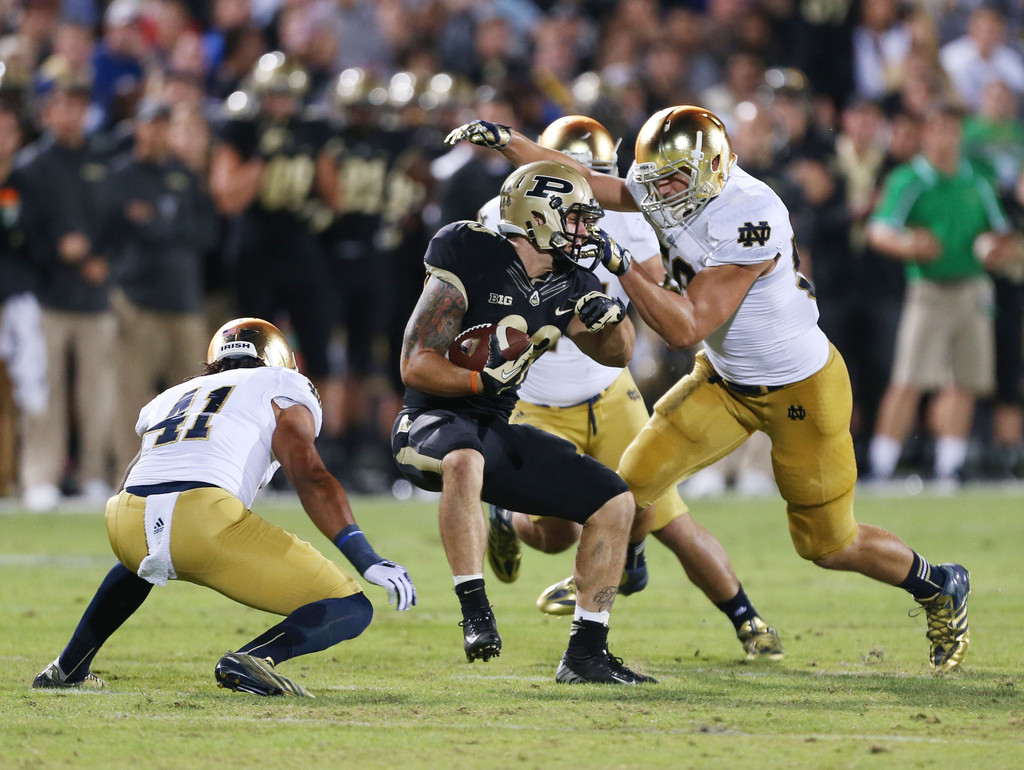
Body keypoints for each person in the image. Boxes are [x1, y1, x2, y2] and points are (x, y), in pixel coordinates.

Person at [446, 104, 972, 673]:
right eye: (654, 180)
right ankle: (609, 596)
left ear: (712, 168)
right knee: (623, 493)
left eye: (674, 179)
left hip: (801, 391)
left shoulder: (752, 212)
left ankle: (938, 584)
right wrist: (510, 142)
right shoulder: (672, 185)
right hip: (723, 381)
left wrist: (619, 263)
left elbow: (684, 327)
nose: (661, 193)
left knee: (827, 544)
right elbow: (586, 182)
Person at [476, 115, 783, 660]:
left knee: (669, 517)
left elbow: (653, 300)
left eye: (597, 175)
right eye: (574, 175)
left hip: (611, 395)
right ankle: (507, 515)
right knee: (554, 534)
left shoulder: (632, 221)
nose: (586, 190)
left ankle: (745, 616)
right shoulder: (504, 217)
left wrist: (617, 275)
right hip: (538, 403)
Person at [32, 318, 415, 697]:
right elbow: (310, 476)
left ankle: (68, 667)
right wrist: (364, 557)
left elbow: (134, 476)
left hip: (124, 518)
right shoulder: (282, 385)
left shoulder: (175, 394)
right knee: (349, 605)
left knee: (142, 557)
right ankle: (255, 658)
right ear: (279, 360)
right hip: (203, 518)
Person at [392, 159, 654, 684]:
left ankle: (586, 654)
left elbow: (618, 354)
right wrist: (478, 382)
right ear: (539, 215)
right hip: (429, 419)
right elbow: (415, 362)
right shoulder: (470, 251)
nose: (587, 231)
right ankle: (475, 610)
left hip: (495, 427)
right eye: (577, 217)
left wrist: (613, 317)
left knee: (616, 501)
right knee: (464, 459)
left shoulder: (571, 282)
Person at [866, 101, 1019, 486]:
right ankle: (881, 466)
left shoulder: (977, 179)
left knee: (965, 380)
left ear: (960, 134)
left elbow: (1000, 231)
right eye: (937, 129)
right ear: (925, 134)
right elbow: (879, 231)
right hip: (928, 289)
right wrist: (909, 246)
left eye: (951, 130)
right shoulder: (909, 179)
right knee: (908, 378)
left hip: (972, 288)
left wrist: (994, 246)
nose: (945, 138)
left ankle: (950, 467)